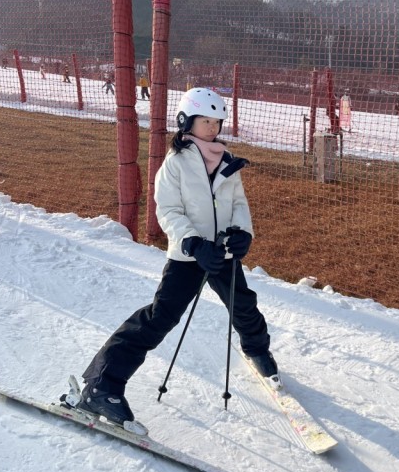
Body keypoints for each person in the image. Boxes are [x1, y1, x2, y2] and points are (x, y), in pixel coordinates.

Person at [78, 87, 279, 431]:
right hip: (190, 257)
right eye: (205, 121)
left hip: (222, 254)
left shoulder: (227, 160)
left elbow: (239, 203)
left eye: (217, 122)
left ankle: (258, 350)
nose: (213, 128)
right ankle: (102, 385)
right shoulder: (176, 162)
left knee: (243, 304)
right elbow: (168, 210)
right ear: (187, 121)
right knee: (160, 317)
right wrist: (193, 243)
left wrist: (242, 231)